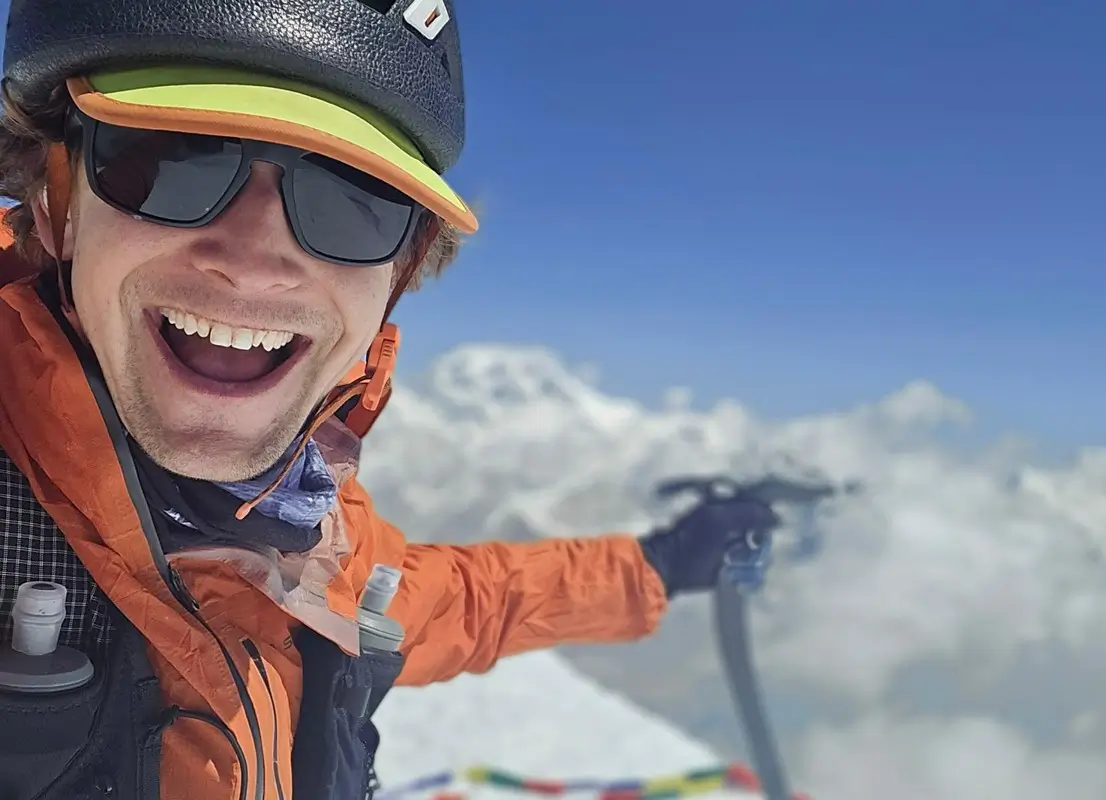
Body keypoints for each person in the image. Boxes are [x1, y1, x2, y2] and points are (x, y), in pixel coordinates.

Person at [0, 1, 783, 799]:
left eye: (353, 199)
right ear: (52, 198)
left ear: (401, 272)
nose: (255, 259)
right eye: (169, 159)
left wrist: (656, 566)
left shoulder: (310, 527)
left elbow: (454, 602)